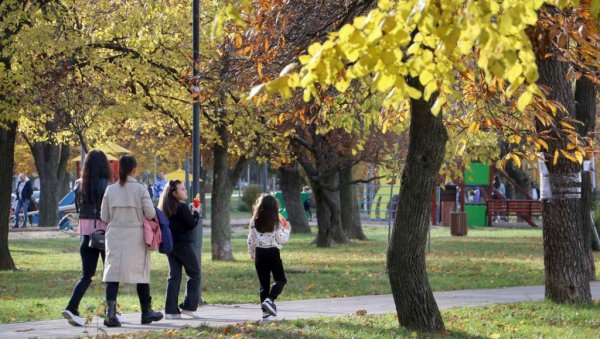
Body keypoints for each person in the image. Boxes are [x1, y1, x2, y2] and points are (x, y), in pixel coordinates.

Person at [101, 156, 163, 327]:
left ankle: (110, 313)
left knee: (112, 274)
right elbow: (150, 213)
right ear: (134, 170)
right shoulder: (141, 189)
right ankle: (146, 312)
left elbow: (104, 216)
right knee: (141, 274)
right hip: (136, 234)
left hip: (114, 234)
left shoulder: (110, 190)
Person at [62, 150, 111, 326]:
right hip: (105, 235)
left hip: (85, 235)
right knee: (110, 275)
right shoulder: (108, 185)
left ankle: (72, 307)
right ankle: (110, 312)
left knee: (86, 275)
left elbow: (78, 209)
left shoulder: (79, 185)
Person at [158, 180, 202, 319]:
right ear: (174, 193)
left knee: (174, 276)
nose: (185, 191)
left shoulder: (165, 207)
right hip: (184, 245)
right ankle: (189, 306)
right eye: (182, 189)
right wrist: (196, 213)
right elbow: (190, 224)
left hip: (171, 245)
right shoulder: (181, 207)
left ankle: (171, 311)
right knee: (194, 273)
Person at [247, 194, 291, 322]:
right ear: (274, 208)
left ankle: (265, 314)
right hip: (273, 253)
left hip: (260, 254)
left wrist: (252, 253)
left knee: (264, 284)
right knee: (280, 279)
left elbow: (251, 239)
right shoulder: (276, 223)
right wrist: (287, 229)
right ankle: (270, 299)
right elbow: (281, 239)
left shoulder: (254, 222)